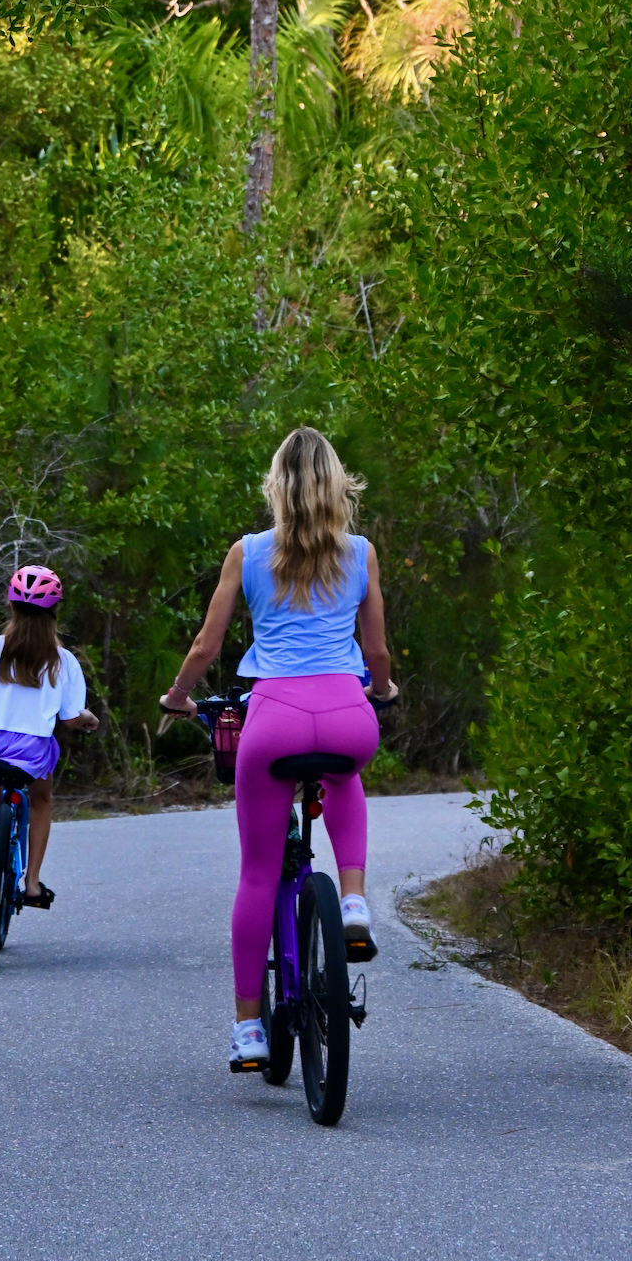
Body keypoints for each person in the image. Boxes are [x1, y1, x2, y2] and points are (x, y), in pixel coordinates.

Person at [160, 426, 399, 1074]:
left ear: (277, 487)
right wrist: (381, 689)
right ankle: (351, 899)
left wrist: (179, 696)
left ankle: (248, 1032)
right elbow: (375, 652)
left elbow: (207, 648)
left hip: (274, 722)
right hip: (348, 715)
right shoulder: (362, 553)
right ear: (335, 485)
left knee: (259, 875)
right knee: (345, 774)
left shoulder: (249, 552)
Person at [0, 564, 99, 908]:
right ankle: (33, 884)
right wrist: (87, 718)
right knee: (40, 801)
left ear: (11, 606)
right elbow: (71, 718)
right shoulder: (64, 661)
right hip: (33, 750)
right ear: (54, 612)